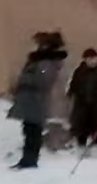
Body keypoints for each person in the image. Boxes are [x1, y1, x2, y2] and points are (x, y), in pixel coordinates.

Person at [9, 32, 67, 169]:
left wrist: (25, 82)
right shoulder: (38, 60)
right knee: (28, 130)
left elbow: (44, 80)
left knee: (33, 131)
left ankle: (30, 160)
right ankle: (26, 159)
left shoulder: (47, 62)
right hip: (30, 100)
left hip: (37, 101)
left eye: (39, 44)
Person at [65, 48, 97, 148]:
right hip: (81, 105)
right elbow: (73, 85)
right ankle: (81, 146)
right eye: (89, 59)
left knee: (96, 127)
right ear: (85, 60)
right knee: (81, 128)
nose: (92, 61)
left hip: (96, 105)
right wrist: (70, 93)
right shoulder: (79, 71)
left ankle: (95, 147)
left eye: (93, 58)